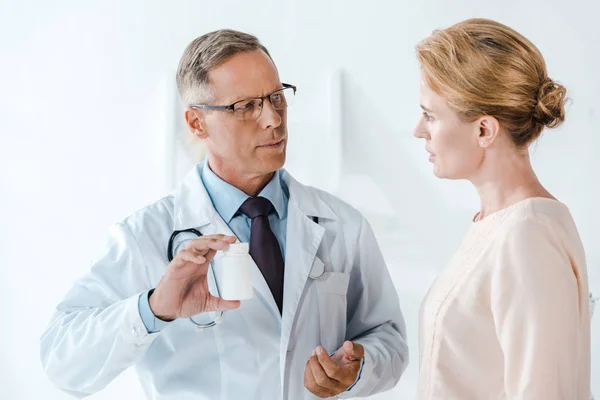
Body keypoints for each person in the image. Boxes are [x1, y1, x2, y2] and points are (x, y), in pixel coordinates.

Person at [40, 29, 408, 400]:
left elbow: (388, 338)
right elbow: (62, 362)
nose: (273, 119)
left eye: (276, 97)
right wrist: (153, 309)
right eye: (245, 106)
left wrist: (358, 369)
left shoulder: (341, 224)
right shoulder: (143, 236)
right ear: (197, 123)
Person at [413, 18, 591, 399]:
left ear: (484, 130)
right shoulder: (497, 226)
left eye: (430, 115)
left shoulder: (527, 237)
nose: (418, 130)